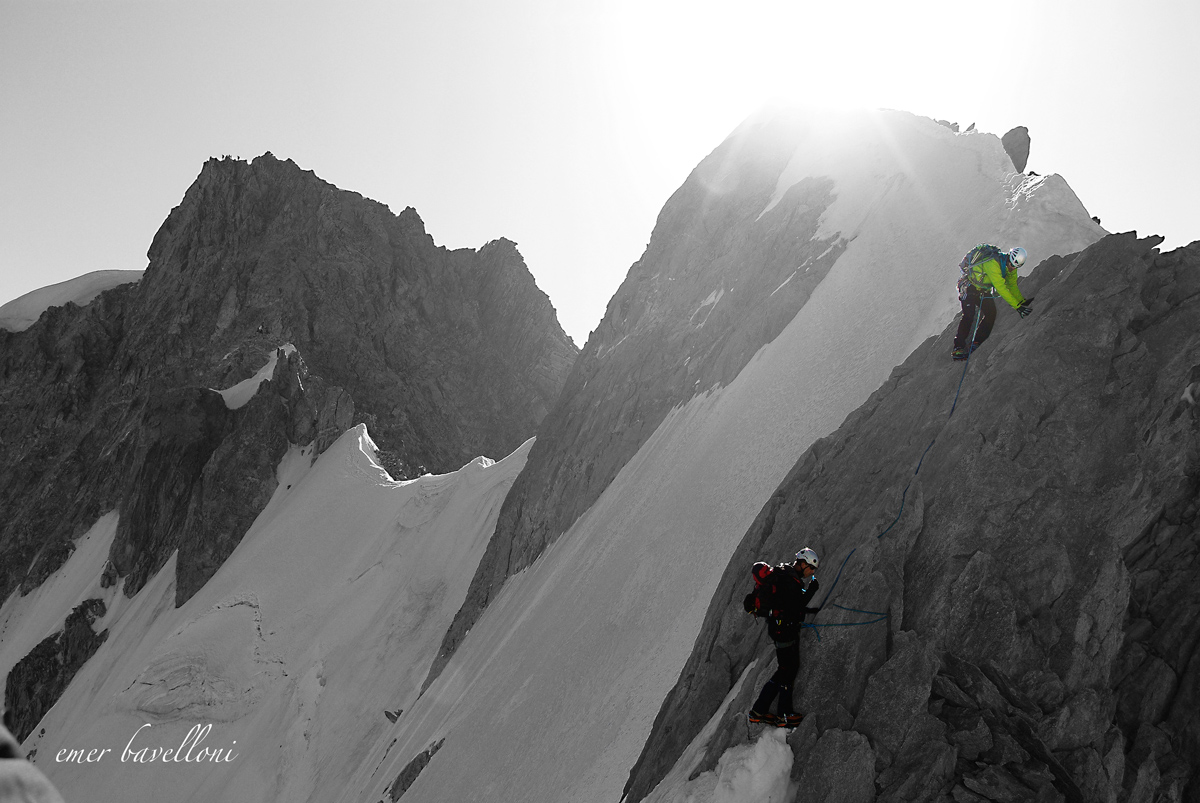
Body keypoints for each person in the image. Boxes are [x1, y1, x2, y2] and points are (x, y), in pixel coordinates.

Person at [742, 548, 821, 727]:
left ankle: (759, 711)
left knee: (784, 669)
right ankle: (784, 715)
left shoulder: (785, 573)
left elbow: (787, 604)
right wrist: (812, 591)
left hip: (779, 628)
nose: (812, 572)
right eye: (811, 568)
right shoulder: (790, 580)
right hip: (784, 630)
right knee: (789, 669)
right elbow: (796, 604)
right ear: (802, 564)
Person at [953, 244, 1033, 360]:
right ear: (1009, 259)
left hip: (982, 289)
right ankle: (958, 348)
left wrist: (1021, 302)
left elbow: (1012, 286)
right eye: (1011, 265)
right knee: (969, 315)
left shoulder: (1011, 267)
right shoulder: (993, 264)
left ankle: (976, 342)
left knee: (991, 313)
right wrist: (1017, 307)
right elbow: (1001, 288)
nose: (1012, 269)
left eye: (1015, 267)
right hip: (969, 286)